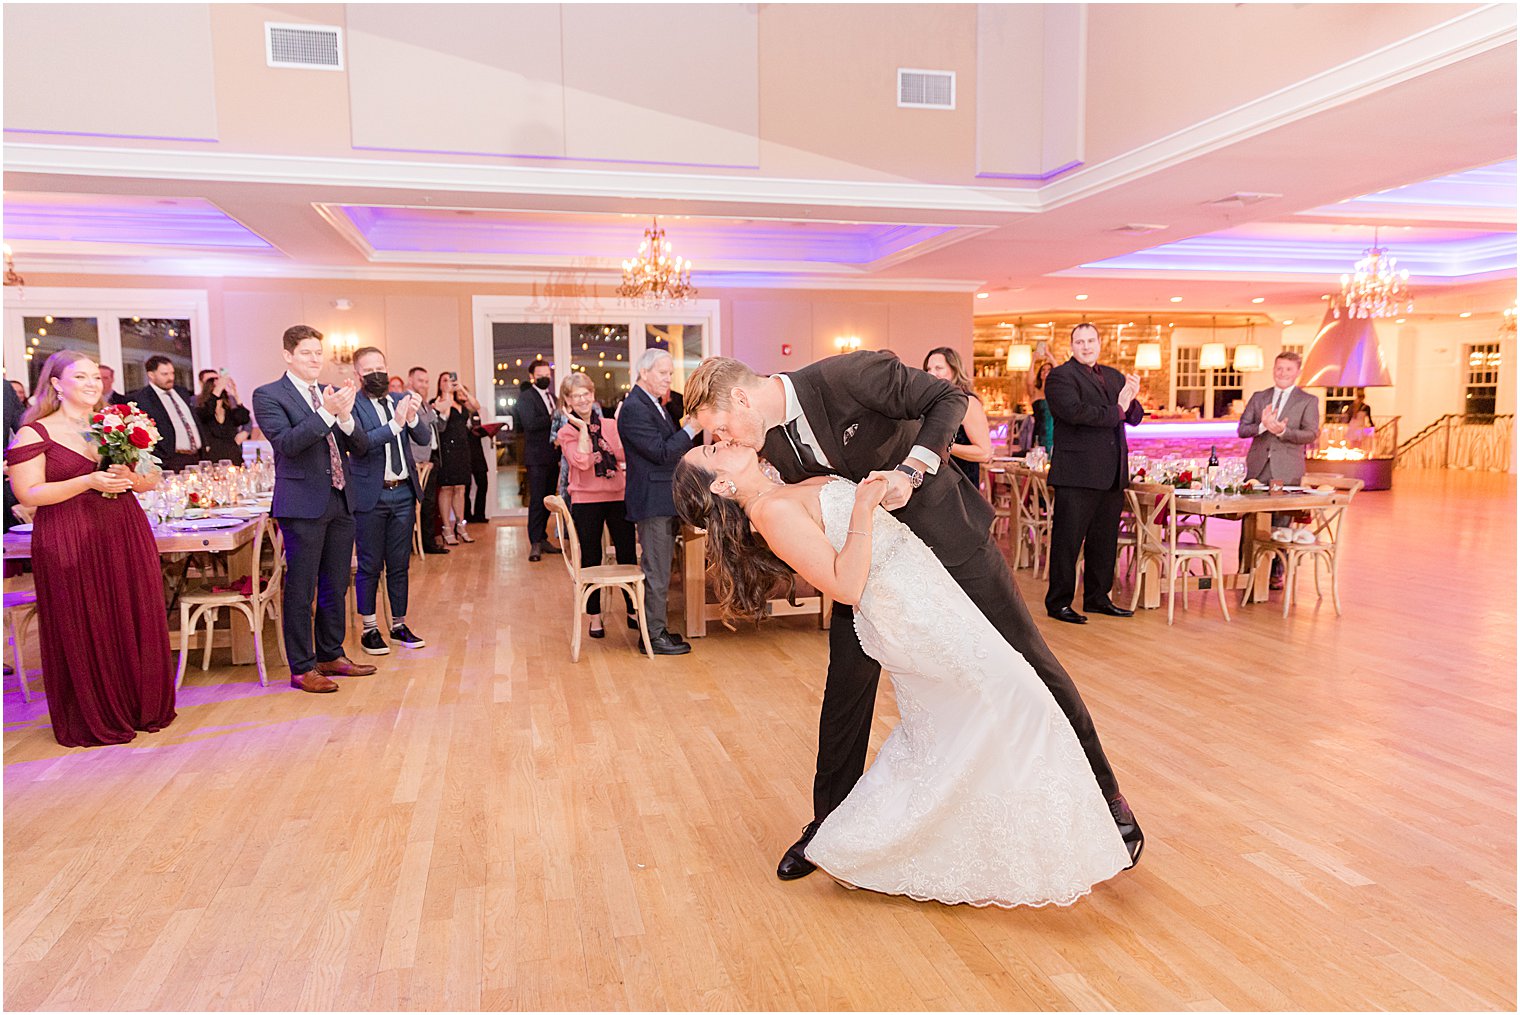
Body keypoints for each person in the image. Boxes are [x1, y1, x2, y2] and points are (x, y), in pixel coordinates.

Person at [685, 352, 1140, 881]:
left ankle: (1108, 798)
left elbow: (949, 399)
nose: (727, 442)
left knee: (1031, 659)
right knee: (845, 692)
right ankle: (828, 831)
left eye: (721, 429)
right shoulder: (765, 443)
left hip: (950, 543)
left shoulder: (847, 377)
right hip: (874, 574)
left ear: (742, 398)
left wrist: (912, 468)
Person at [7, 350, 176, 746]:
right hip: (68, 536)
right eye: (80, 377)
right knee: (83, 617)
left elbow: (152, 478)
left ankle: (140, 705)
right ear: (55, 384)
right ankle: (94, 713)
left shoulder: (115, 423)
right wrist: (87, 482)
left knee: (131, 610)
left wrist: (131, 476)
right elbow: (27, 492)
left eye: (95, 378)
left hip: (123, 530)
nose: (91, 384)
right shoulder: (35, 432)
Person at [250, 325, 377, 693]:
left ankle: (330, 653)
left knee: (336, 584)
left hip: (340, 499)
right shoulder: (269, 395)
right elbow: (288, 443)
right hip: (302, 504)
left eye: (318, 353)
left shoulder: (330, 394)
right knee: (301, 588)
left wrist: (346, 417)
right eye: (307, 353)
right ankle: (302, 667)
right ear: (288, 355)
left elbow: (360, 445)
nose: (315, 359)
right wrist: (325, 414)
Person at [1043, 324, 1145, 624]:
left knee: (1104, 542)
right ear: (1071, 346)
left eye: (1091, 341)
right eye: (1079, 341)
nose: (1086, 346)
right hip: (1077, 474)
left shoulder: (1113, 375)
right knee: (1068, 542)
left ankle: (1098, 598)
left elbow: (1134, 417)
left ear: (1100, 343)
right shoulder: (1060, 377)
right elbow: (1077, 413)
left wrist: (1133, 397)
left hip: (1112, 473)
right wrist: (1119, 409)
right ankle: (1058, 602)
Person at [349, 346, 430, 655]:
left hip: (403, 493)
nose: (377, 374)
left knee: (399, 564)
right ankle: (370, 629)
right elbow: (361, 445)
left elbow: (423, 439)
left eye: (380, 368)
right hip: (371, 493)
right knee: (370, 565)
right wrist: (395, 424)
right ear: (359, 375)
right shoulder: (353, 406)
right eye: (369, 371)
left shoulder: (399, 399)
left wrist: (410, 419)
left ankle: (398, 625)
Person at [619, 349, 699, 656]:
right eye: (663, 373)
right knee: (656, 570)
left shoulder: (652, 404)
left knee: (662, 568)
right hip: (652, 501)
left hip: (662, 498)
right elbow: (662, 453)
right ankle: (652, 635)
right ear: (643, 373)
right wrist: (691, 429)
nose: (669, 379)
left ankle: (657, 628)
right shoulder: (635, 407)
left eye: (669, 373)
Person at [557, 373, 640, 639]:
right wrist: (583, 431)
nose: (582, 400)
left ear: (592, 395)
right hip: (585, 499)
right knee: (591, 559)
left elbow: (622, 453)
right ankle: (594, 617)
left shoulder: (610, 424)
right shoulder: (566, 431)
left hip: (617, 495)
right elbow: (580, 461)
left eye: (586, 394)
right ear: (568, 401)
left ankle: (633, 611)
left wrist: (611, 435)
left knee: (628, 555)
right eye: (576, 396)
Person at [1237, 351, 1321, 589]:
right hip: (1258, 468)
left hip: (1287, 469)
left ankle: (1275, 573)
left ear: (1297, 372)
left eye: (1288, 369)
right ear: (1274, 369)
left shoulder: (1307, 400)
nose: (1282, 373)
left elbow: (1311, 433)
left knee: (1281, 522)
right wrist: (1263, 425)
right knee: (1250, 520)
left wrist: (1283, 432)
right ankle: (1247, 570)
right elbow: (1242, 429)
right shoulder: (1259, 397)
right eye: (1279, 368)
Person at [512, 359, 562, 561]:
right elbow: (529, 423)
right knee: (537, 500)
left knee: (548, 500)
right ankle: (534, 542)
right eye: (540, 375)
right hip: (536, 457)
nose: (544, 378)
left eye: (547, 375)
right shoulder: (526, 397)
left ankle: (542, 538)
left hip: (552, 457)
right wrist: (552, 416)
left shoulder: (553, 397)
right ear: (532, 376)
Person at [922, 347, 991, 487]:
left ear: (955, 370)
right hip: (933, 485)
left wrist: (941, 446)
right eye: (928, 369)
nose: (931, 373)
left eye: (938, 368)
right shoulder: (931, 402)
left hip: (961, 484)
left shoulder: (968, 403)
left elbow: (984, 453)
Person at [132, 355, 206, 472]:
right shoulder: (143, 398)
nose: (170, 378)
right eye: (165, 374)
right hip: (172, 460)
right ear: (151, 375)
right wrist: (161, 459)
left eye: (172, 373)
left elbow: (193, 420)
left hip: (196, 457)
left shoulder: (181, 392)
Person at [407, 367, 448, 555]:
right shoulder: (408, 401)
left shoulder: (424, 402)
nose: (424, 385)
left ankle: (428, 541)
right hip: (417, 461)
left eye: (426, 381)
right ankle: (421, 543)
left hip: (430, 458)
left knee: (429, 503)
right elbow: (416, 427)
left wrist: (442, 413)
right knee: (421, 504)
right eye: (420, 381)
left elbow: (437, 427)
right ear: (411, 381)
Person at [432, 371, 476, 545]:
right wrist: (447, 395)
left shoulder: (461, 403)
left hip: (462, 448)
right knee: (447, 488)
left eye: (450, 380)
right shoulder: (437, 402)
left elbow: (476, 406)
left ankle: (460, 525)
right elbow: (442, 419)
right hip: (446, 449)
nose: (448, 383)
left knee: (460, 488)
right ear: (440, 384)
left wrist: (463, 391)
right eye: (444, 380)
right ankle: (446, 528)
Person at [193, 372, 251, 463]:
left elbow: (244, 418)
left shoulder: (229, 413)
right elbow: (207, 411)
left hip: (233, 457)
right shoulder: (201, 411)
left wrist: (236, 395)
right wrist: (217, 390)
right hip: (212, 459)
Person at [464, 406, 492, 524]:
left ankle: (479, 514)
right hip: (463, 455)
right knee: (465, 488)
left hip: (477, 454)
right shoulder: (456, 414)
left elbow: (479, 430)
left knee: (483, 484)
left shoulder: (474, 413)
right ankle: (467, 515)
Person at [1031, 361, 1056, 454]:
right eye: (1043, 370)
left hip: (1052, 430)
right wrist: (1033, 359)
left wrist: (1050, 356)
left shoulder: (1056, 392)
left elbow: (1059, 372)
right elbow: (1029, 381)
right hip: (1038, 430)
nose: (1045, 372)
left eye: (1049, 370)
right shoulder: (1035, 392)